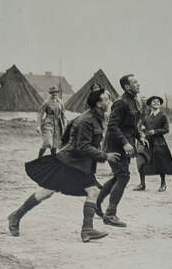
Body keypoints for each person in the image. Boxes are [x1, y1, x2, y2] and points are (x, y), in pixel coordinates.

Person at [7, 89, 121, 243]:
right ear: (98, 103)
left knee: (91, 191)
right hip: (70, 164)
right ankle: (16, 216)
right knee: (46, 192)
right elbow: (82, 146)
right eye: (107, 99)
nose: (109, 102)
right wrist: (104, 156)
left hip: (78, 164)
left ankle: (87, 229)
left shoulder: (96, 117)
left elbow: (68, 135)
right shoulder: (86, 120)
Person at [99, 74, 148, 228]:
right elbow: (113, 126)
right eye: (135, 82)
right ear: (127, 87)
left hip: (126, 144)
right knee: (123, 176)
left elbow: (132, 125)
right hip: (115, 146)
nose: (138, 84)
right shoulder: (120, 103)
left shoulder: (134, 102)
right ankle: (110, 214)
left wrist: (139, 135)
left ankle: (96, 203)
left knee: (118, 177)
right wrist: (125, 143)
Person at [134, 96, 172, 192]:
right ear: (150, 104)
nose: (156, 102)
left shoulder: (162, 116)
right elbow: (139, 126)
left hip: (158, 142)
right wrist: (142, 130)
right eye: (154, 101)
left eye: (158, 101)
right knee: (141, 160)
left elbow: (166, 129)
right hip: (147, 142)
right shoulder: (147, 116)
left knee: (160, 161)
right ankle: (142, 184)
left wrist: (155, 131)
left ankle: (163, 184)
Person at [36, 86, 67, 158]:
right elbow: (40, 114)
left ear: (57, 93)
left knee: (55, 144)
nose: (54, 94)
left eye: (55, 92)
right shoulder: (46, 102)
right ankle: (39, 158)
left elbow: (63, 115)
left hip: (58, 124)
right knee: (47, 142)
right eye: (52, 92)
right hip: (48, 123)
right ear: (50, 93)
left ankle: (53, 159)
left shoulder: (60, 102)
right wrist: (38, 126)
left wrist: (65, 125)